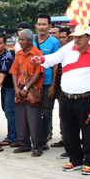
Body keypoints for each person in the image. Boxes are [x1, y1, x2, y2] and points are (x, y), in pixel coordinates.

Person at [33, 24, 90, 174]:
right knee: (68, 132)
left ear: (89, 38)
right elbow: (53, 58)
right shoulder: (68, 49)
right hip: (66, 97)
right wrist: (41, 59)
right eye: (75, 37)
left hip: (86, 99)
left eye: (81, 37)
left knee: (89, 132)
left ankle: (89, 162)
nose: (77, 40)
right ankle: (75, 160)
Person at [10, 29, 45, 157]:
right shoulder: (18, 53)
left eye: (23, 39)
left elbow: (38, 73)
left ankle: (37, 147)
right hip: (19, 91)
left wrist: (26, 88)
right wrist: (16, 88)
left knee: (33, 120)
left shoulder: (37, 54)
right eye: (19, 39)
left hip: (33, 92)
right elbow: (14, 72)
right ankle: (24, 145)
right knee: (20, 119)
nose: (20, 42)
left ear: (30, 41)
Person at [34, 13, 60, 149]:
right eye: (39, 24)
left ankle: (44, 140)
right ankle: (35, 137)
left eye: (44, 24)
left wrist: (53, 85)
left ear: (49, 26)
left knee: (46, 111)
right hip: (33, 83)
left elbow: (56, 64)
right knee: (34, 111)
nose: (42, 27)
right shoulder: (31, 39)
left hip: (48, 82)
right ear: (36, 26)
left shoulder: (55, 42)